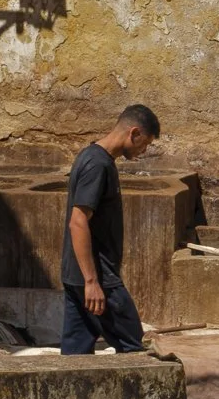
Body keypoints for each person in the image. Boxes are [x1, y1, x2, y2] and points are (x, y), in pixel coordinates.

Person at [61, 104, 160, 354]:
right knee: (134, 345)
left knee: (75, 356)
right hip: (99, 279)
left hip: (76, 276)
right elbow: (78, 221)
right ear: (133, 133)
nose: (142, 151)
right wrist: (92, 282)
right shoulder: (98, 165)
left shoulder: (93, 157)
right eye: (144, 144)